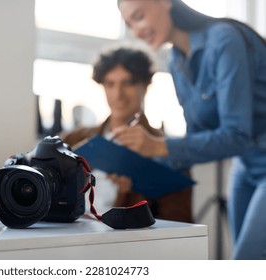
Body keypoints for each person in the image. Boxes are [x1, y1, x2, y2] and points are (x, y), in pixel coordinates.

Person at [116, 0, 266, 260]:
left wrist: (158, 145)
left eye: (138, 17)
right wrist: (137, 171)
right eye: (130, 24)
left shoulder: (224, 39)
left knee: (246, 261)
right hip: (246, 165)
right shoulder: (176, 62)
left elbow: (236, 136)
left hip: (252, 154)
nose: (136, 31)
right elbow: (196, 140)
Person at [62, 45, 193, 223]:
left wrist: (131, 196)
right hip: (69, 234)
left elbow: (179, 224)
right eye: (110, 84)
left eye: (128, 83)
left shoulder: (166, 151)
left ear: (146, 85)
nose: (118, 94)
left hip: (125, 243)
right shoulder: (73, 139)